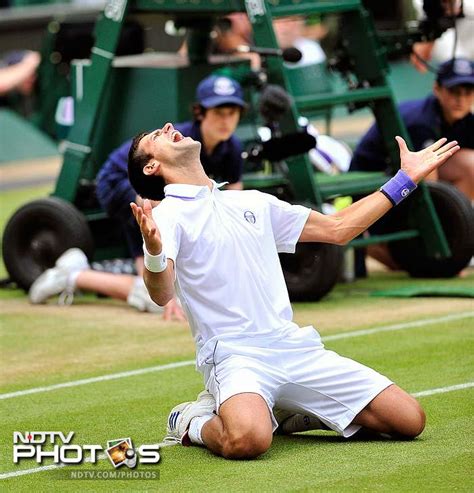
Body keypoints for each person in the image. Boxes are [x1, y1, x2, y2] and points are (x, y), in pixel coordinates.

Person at [127, 121, 458, 459]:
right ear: (151, 166)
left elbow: (338, 229)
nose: (168, 126)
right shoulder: (165, 216)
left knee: (409, 420)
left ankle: (290, 415)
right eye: (155, 135)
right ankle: (192, 420)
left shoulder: (253, 202)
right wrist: (153, 252)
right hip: (234, 355)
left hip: (295, 347)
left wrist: (405, 180)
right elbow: (161, 294)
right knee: (247, 441)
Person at [28, 75, 246, 318]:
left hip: (154, 204)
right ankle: (74, 276)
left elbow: (229, 207)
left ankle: (79, 272)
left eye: (232, 112)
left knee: (172, 288)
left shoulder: (232, 148)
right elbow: (162, 212)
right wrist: (170, 287)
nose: (226, 121)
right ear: (200, 112)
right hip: (119, 183)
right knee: (161, 299)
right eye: (219, 112)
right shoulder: (180, 143)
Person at [350, 58, 474, 200]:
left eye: (468, 92)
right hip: (371, 181)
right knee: (428, 169)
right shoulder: (420, 122)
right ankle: (440, 221)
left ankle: (458, 219)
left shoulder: (466, 120)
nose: (461, 99)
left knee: (470, 164)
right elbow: (425, 178)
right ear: (437, 89)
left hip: (403, 176)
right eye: (454, 91)